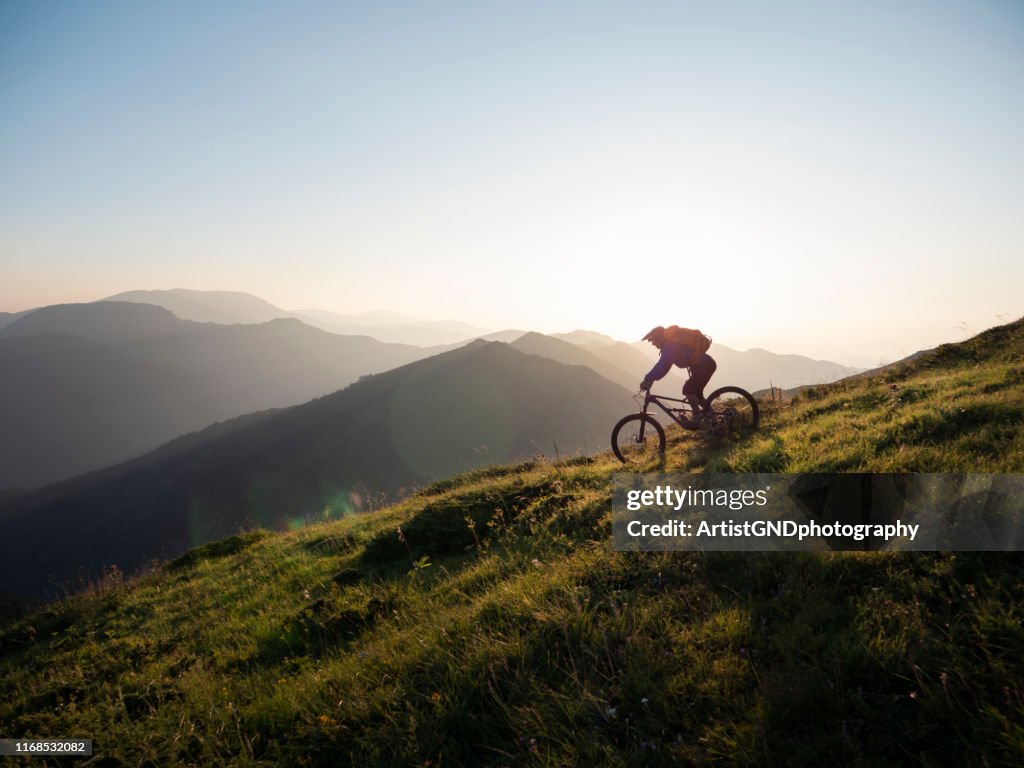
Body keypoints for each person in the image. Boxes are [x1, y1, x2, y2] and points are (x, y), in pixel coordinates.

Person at [639, 325, 717, 418]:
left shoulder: (669, 347)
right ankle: (713, 415)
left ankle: (697, 417)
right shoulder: (669, 347)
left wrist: (648, 379)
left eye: (653, 340)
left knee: (688, 390)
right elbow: (664, 368)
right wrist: (651, 380)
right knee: (697, 395)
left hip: (704, 366)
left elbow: (661, 366)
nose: (652, 344)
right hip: (704, 365)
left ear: (659, 338)